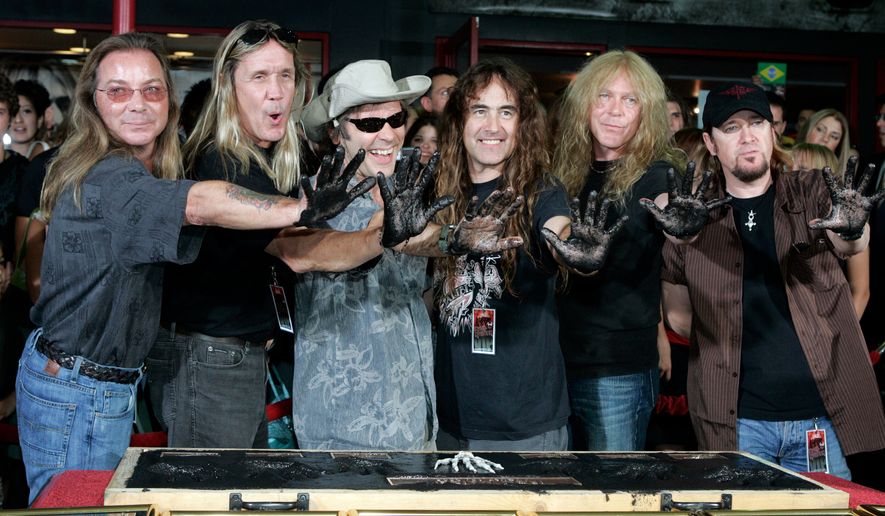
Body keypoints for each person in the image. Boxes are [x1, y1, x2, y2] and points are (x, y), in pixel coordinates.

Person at [15, 32, 368, 503]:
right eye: (118, 90)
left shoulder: (150, 165)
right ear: (92, 103)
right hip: (79, 387)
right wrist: (298, 208)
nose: (137, 104)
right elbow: (201, 202)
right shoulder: (111, 174)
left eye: (152, 89)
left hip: (98, 382)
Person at [661, 81, 885, 479]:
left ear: (772, 131)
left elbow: (849, 244)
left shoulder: (812, 189)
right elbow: (678, 318)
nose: (747, 137)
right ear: (711, 144)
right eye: (731, 128)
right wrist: (682, 243)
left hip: (819, 419)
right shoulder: (694, 215)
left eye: (757, 123)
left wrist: (853, 230)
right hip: (738, 423)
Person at [294, 59, 520, 450]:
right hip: (344, 426)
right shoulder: (313, 199)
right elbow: (312, 252)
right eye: (368, 124)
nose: (386, 134)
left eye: (395, 119)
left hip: (416, 417)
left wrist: (453, 239)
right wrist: (444, 239)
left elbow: (418, 253)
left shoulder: (408, 190)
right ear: (336, 134)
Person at [147, 20, 343, 449]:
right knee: (212, 499)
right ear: (227, 84)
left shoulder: (274, 158)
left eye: (285, 76)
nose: (276, 91)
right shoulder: (220, 160)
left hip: (239, 355)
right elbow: (299, 253)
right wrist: (387, 237)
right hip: (212, 358)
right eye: (259, 77)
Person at [433, 58, 618, 451]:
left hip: (525, 426)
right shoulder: (440, 194)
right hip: (448, 420)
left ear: (523, 124)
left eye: (506, 112)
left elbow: (558, 230)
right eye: (479, 110)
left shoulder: (541, 193)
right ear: (458, 122)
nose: (493, 127)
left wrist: (573, 248)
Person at [551, 50, 693, 451]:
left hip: (617, 370)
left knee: (612, 495)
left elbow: (671, 213)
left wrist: (683, 230)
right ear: (585, 103)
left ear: (645, 112)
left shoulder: (658, 174)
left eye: (630, 100)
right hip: (552, 362)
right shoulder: (563, 170)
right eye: (605, 96)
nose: (615, 111)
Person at [798, 108, 851, 175]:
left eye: (833, 136)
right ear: (808, 129)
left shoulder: (837, 180)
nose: (825, 139)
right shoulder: (787, 164)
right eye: (820, 130)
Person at [6, 80, 51, 160]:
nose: (18, 119)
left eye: (26, 111)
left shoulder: (47, 155)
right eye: (13, 111)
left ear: (40, 120)